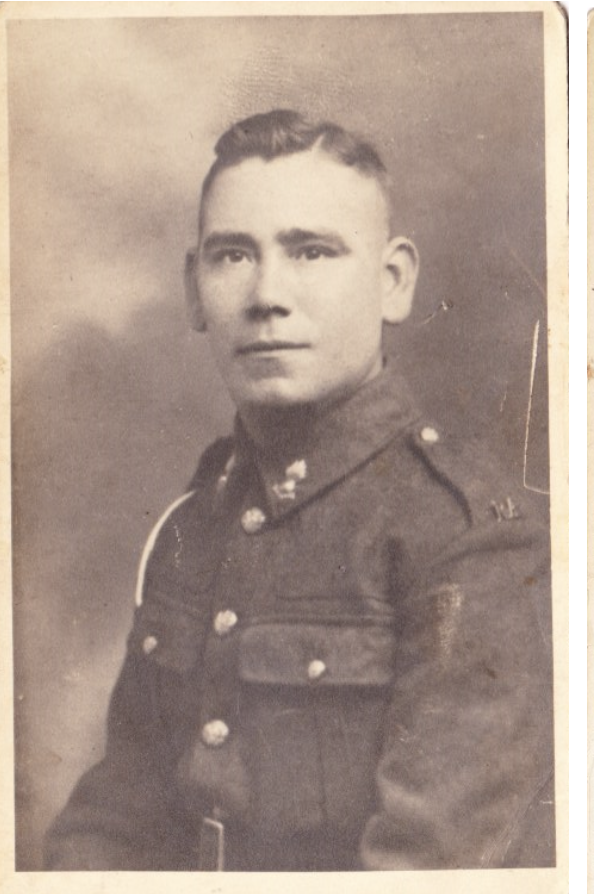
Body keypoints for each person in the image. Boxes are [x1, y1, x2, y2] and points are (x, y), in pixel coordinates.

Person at [44, 109, 555, 871]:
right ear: (194, 290)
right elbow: (118, 815)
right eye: (232, 257)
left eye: (312, 252)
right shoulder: (198, 515)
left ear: (393, 281)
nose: (267, 295)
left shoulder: (463, 533)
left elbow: (431, 867)